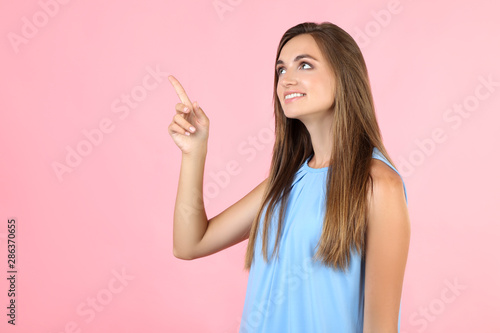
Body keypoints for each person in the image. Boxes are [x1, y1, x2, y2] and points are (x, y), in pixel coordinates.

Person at [168, 21, 410, 333]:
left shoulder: (379, 185)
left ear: (344, 77)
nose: (287, 80)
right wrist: (193, 152)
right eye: (281, 70)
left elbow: (381, 328)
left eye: (304, 65)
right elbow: (190, 244)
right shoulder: (283, 184)